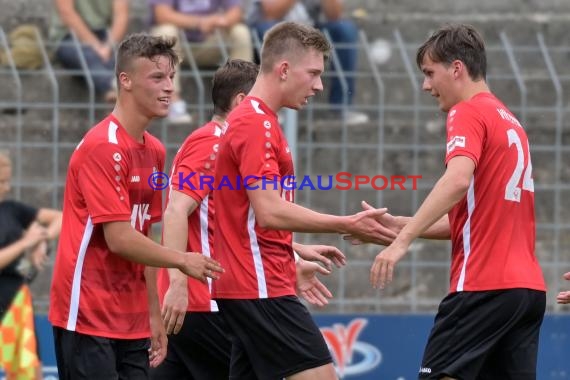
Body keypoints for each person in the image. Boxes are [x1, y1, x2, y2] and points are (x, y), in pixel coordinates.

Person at [211, 21, 393, 379]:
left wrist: (292, 252)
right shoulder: (256, 124)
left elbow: (250, 215)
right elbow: (268, 210)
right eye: (313, 73)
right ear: (283, 69)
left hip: (256, 281)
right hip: (258, 286)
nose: (319, 85)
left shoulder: (259, 120)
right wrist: (344, 223)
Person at [363, 24, 546, 379]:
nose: (426, 85)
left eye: (430, 73)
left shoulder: (467, 111)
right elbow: (478, 218)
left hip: (483, 285)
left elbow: (458, 180)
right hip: (526, 292)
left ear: (457, 68)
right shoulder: (510, 121)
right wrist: (402, 226)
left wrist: (400, 243)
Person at [151, 58, 343, 379]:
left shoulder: (229, 142)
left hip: (211, 299)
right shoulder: (213, 141)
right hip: (206, 301)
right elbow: (175, 211)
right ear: (241, 100)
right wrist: (179, 284)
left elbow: (232, 222)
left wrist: (292, 251)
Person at [48, 33, 224, 380]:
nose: (169, 87)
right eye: (157, 77)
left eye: (172, 77)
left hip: (131, 316)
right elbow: (120, 239)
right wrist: (182, 259)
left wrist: (153, 315)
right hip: (87, 312)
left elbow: (144, 235)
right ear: (124, 81)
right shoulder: (104, 146)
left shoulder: (155, 149)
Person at [247, 0, 369, 125]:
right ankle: (272, 105)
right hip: (268, 28)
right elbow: (271, 13)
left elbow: (335, 15)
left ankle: (342, 106)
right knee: (270, 29)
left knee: (345, 29)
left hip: (308, 29)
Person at [0, 151, 62, 380]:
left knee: (30, 371)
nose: (6, 188)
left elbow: (61, 218)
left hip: (17, 301)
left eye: (8, 181)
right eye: (1, 182)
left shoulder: (12, 210)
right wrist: (27, 241)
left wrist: (43, 241)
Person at [149, 0, 254, 124]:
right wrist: (199, 22)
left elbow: (236, 12)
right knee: (165, 31)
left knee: (240, 32)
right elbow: (162, 15)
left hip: (211, 42)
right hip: (178, 45)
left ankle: (240, 102)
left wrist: (218, 21)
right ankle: (172, 101)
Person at [49, 0, 130, 103]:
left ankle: (115, 89)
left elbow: (121, 16)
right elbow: (66, 12)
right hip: (68, 35)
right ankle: (115, 86)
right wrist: (97, 46)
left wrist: (108, 47)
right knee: (88, 57)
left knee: (119, 59)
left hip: (105, 34)